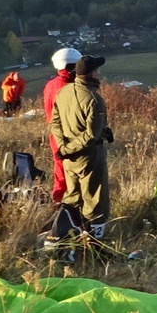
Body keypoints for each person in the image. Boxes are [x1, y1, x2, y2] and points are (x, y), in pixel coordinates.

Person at [48, 54, 115, 247]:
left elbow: (55, 123)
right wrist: (69, 148)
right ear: (91, 74)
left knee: (72, 196)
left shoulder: (63, 93)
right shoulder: (94, 99)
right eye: (96, 70)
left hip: (69, 158)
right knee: (95, 199)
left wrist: (63, 148)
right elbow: (91, 136)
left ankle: (65, 233)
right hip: (89, 156)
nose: (99, 73)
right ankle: (94, 242)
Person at [40, 46, 81, 204]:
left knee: (60, 173)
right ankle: (63, 205)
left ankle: (59, 202)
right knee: (68, 175)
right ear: (70, 67)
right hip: (66, 136)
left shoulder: (51, 84)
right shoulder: (67, 88)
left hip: (56, 135)